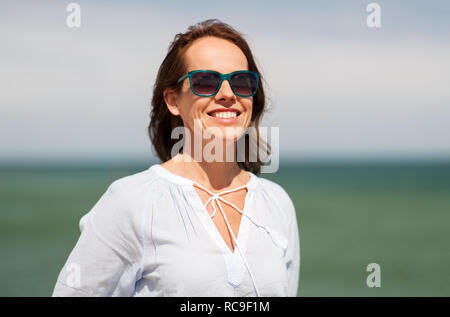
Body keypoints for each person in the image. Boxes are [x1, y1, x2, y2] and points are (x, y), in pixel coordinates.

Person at [52, 19, 300, 297]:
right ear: (172, 101)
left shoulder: (277, 203)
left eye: (242, 81)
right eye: (206, 81)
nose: (228, 94)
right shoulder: (131, 202)